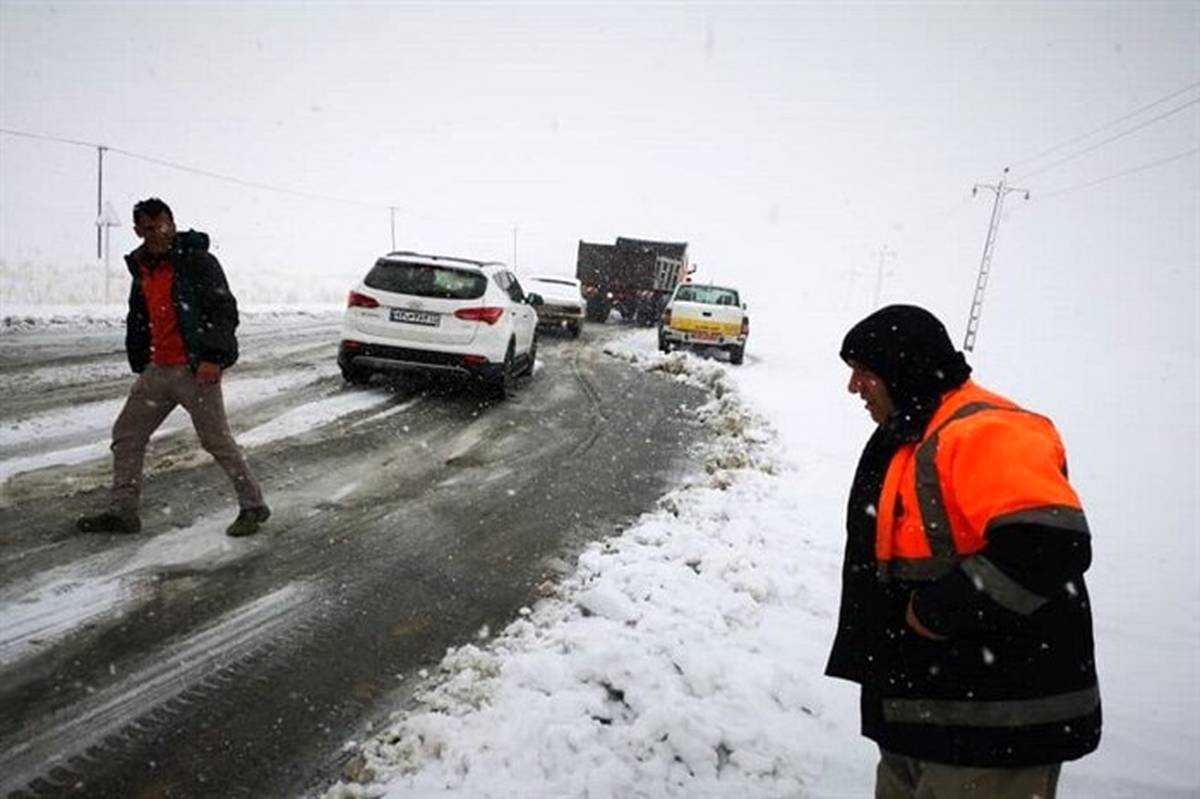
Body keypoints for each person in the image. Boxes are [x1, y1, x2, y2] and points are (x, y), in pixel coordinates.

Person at [826, 304, 1100, 799]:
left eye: (863, 373)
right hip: (924, 715)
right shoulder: (913, 431)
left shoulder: (984, 430)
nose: (853, 388)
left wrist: (935, 612)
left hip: (992, 731)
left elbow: (1049, 545)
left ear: (901, 368)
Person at [76, 198, 270, 538]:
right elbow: (139, 315)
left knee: (216, 441)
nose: (156, 233)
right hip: (157, 370)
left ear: (173, 223)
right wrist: (141, 358)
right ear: (137, 230)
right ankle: (123, 513)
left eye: (161, 225)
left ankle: (253, 505)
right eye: (147, 228)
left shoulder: (197, 262)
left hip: (195, 372)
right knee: (127, 434)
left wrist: (213, 357)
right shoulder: (142, 266)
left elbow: (224, 311)